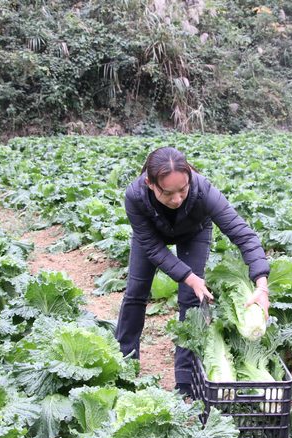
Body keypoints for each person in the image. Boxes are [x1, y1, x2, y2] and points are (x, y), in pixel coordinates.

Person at [116, 146, 270, 396]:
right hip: (152, 238)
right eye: (168, 193)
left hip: (194, 232)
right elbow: (154, 249)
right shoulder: (135, 195)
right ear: (150, 184)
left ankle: (185, 382)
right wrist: (190, 277)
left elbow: (244, 235)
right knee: (135, 294)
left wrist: (261, 285)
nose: (177, 199)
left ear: (189, 178)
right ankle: (124, 362)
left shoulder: (203, 191)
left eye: (182, 190)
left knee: (191, 300)